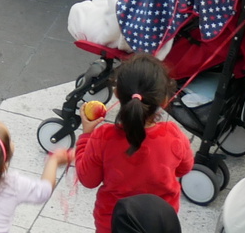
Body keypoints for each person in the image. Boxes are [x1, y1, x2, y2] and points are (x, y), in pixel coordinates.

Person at [72, 53, 193, 233]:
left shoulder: (104, 137)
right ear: (165, 100)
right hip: (157, 223)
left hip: (113, 223)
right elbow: (185, 168)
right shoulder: (173, 135)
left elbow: (88, 179)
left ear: (116, 93)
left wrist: (86, 136)